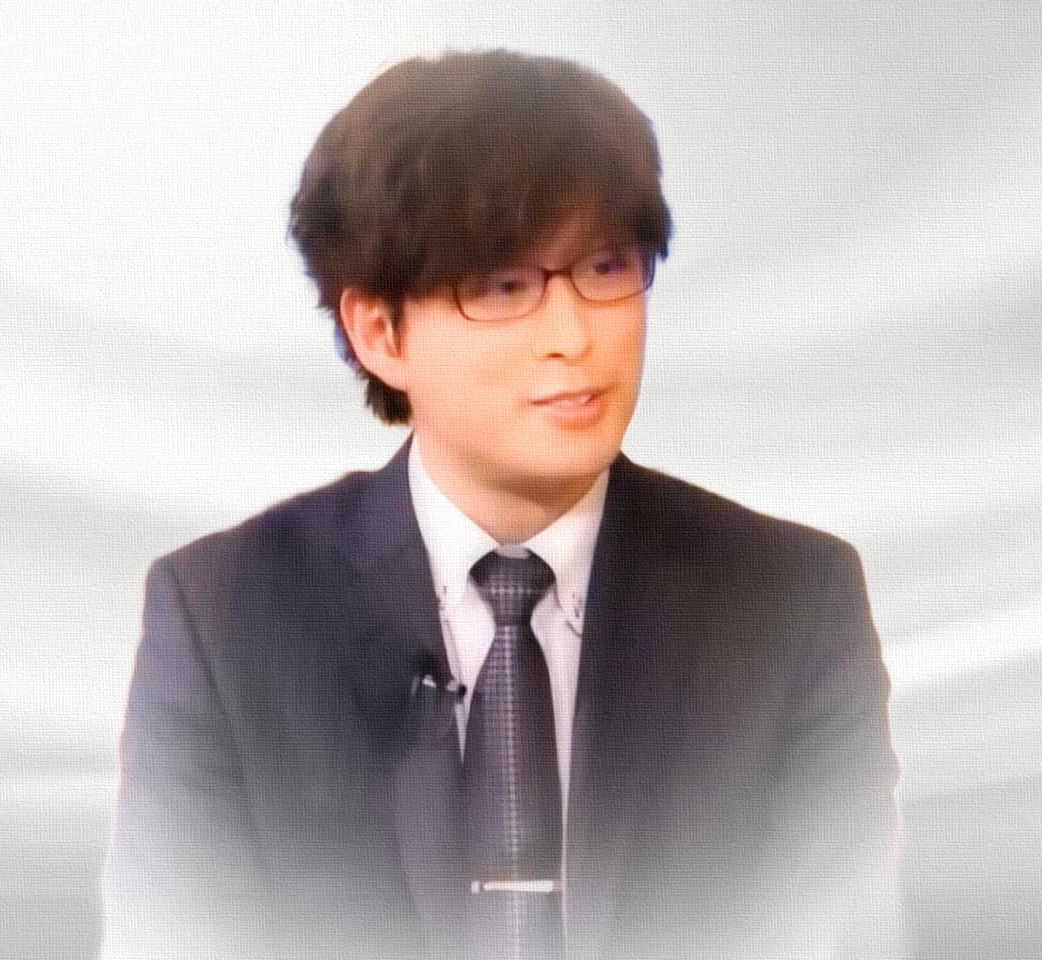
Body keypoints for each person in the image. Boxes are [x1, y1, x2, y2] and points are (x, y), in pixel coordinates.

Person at [102, 50, 901, 960]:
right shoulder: (225, 617)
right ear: (379, 331)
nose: (574, 336)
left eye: (606, 267)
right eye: (504, 288)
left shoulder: (790, 605)